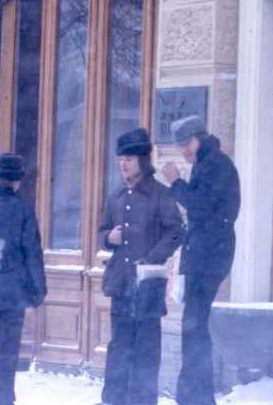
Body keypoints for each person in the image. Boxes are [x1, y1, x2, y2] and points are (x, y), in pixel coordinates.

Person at [98, 128, 183, 405]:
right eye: (120, 159)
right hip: (121, 283)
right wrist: (108, 238)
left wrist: (152, 257)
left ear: (144, 162)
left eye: (130, 159)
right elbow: (102, 230)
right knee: (119, 347)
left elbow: (174, 232)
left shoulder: (161, 195)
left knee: (146, 349)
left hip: (147, 285)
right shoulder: (116, 196)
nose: (123, 164)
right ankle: (113, 400)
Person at [162, 116, 240, 405]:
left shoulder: (215, 164)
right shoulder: (208, 163)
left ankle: (194, 397)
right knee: (193, 325)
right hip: (205, 255)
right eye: (180, 145)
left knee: (193, 326)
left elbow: (203, 206)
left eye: (186, 144)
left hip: (209, 257)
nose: (183, 150)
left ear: (200, 138)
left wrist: (176, 183)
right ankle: (195, 395)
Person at [0, 153, 47, 405]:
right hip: (12, 296)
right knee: (6, 357)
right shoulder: (23, 209)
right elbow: (32, 252)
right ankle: (1, 400)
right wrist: (39, 289)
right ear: (16, 182)